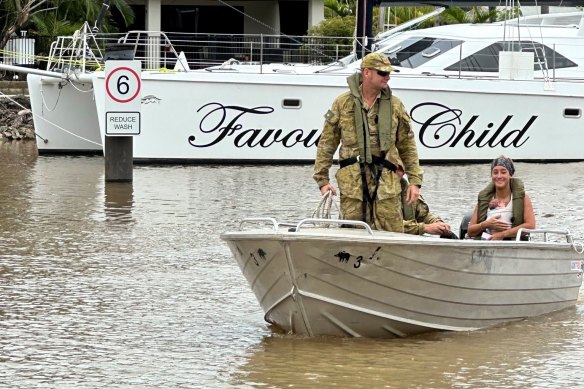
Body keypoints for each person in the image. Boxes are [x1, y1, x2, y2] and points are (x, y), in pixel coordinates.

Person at [313, 52, 423, 232]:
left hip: (387, 185)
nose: (387, 77)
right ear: (366, 73)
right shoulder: (342, 103)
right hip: (353, 186)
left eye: (389, 74)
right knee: (351, 235)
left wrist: (414, 181)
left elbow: (407, 145)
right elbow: (326, 143)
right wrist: (322, 180)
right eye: (382, 73)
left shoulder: (395, 105)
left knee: (392, 233)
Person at [466, 156, 536, 240]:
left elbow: (531, 226)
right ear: (491, 175)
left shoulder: (523, 197)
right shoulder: (485, 199)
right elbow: (470, 231)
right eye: (495, 172)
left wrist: (502, 234)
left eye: (503, 172)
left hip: (513, 245)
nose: (499, 176)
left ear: (510, 175)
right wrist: (486, 224)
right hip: (487, 243)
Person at [397, 168, 454, 237]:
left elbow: (423, 215)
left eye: (401, 169)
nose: (398, 172)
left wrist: (438, 223)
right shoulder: (381, 192)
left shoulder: (407, 190)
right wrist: (425, 228)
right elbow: (389, 223)